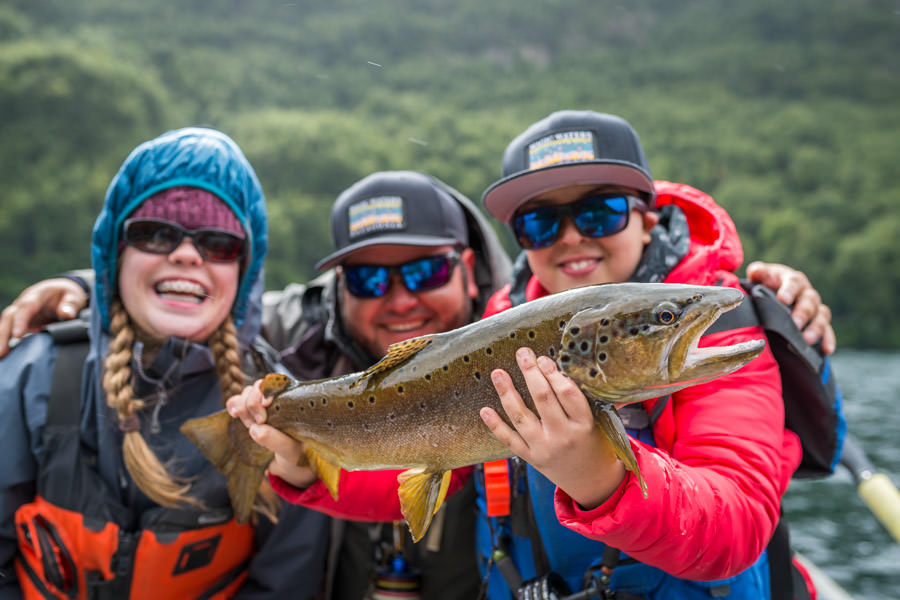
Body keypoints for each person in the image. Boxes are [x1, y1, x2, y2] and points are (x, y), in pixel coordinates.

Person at [0, 171, 831, 599]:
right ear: (335, 293)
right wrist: (85, 288)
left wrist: (603, 472)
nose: (399, 299)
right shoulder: (303, 335)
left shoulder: (711, 323)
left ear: (472, 270)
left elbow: (735, 524)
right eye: (368, 279)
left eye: (426, 270)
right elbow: (200, 296)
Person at [226, 115, 831, 599]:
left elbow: (737, 529)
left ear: (647, 217)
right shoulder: (496, 330)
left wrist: (602, 476)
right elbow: (409, 463)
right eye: (541, 221)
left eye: (599, 211)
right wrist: (301, 467)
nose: (571, 235)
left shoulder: (730, 331)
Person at [0, 127, 328, 600]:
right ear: (115, 255)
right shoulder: (33, 377)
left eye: (219, 244)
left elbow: (284, 584)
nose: (186, 254)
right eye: (154, 234)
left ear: (245, 273)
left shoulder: (283, 407)